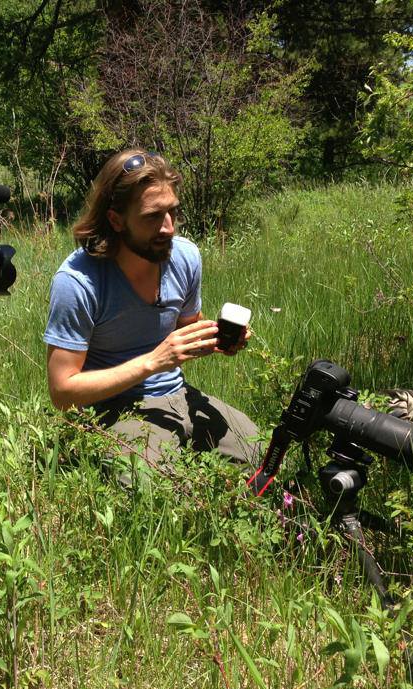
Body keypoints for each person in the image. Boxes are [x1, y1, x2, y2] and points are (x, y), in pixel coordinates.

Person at [43, 149, 259, 487]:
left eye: (173, 212)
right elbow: (62, 392)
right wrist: (153, 362)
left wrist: (219, 340)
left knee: (260, 454)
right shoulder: (78, 282)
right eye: (152, 216)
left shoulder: (185, 257)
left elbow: (188, 330)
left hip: (178, 394)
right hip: (112, 410)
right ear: (116, 220)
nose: (168, 228)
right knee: (158, 490)